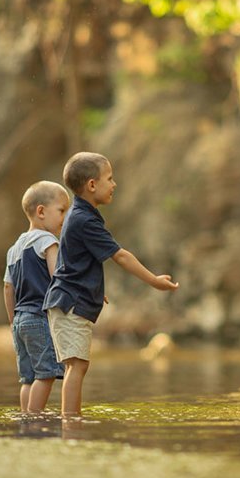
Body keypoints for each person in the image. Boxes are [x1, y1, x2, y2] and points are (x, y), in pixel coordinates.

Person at [44, 152, 179, 418]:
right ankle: (71, 423)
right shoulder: (85, 220)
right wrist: (154, 281)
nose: (114, 184)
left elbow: (71, 261)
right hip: (69, 303)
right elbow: (120, 256)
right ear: (92, 185)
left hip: (68, 299)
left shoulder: (78, 216)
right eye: (110, 178)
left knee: (76, 365)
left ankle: (70, 420)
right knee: (77, 366)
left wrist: (93, 288)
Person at [4, 180, 70, 413]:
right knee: (47, 374)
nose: (65, 217)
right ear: (41, 212)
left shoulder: (14, 249)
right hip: (39, 318)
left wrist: (13, 320)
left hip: (20, 319)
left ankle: (26, 416)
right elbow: (58, 277)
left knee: (28, 377)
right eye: (62, 210)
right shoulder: (48, 241)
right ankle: (34, 418)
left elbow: (7, 288)